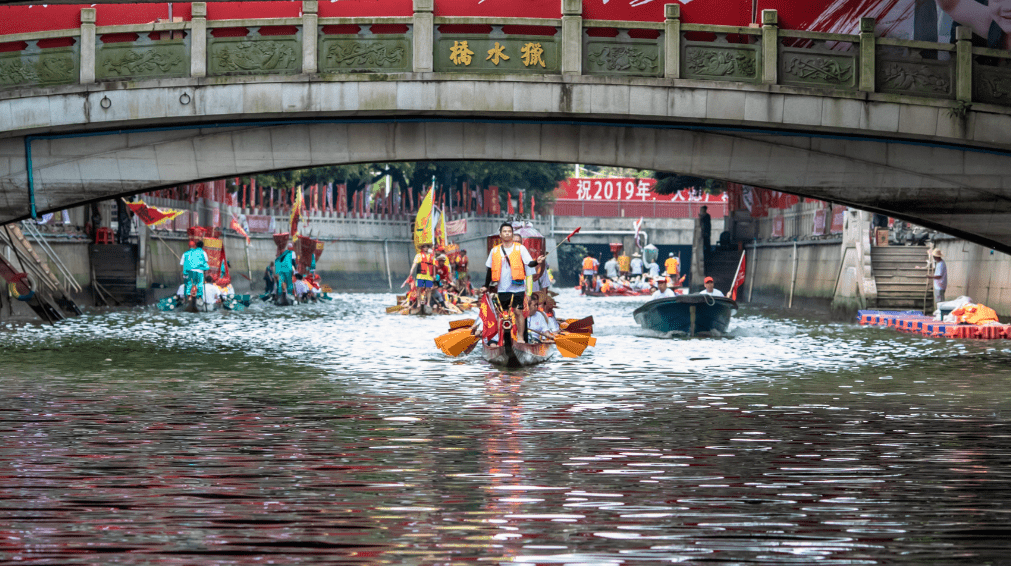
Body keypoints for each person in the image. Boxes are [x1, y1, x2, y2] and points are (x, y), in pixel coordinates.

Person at [481, 223, 545, 343]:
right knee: (503, 314)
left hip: (517, 287)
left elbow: (529, 263)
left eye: (509, 231)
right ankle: (503, 339)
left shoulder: (520, 248)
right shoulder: (495, 250)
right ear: (500, 234)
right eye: (504, 231)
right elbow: (489, 270)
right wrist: (486, 285)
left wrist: (537, 262)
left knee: (517, 311)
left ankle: (520, 337)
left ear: (512, 233)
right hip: (502, 288)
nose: (507, 233)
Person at [405, 242, 436, 308]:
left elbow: (433, 266)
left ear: (428, 248)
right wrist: (411, 270)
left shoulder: (431, 256)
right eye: (424, 247)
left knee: (429, 289)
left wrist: (434, 275)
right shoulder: (419, 255)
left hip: (429, 276)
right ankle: (419, 303)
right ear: (422, 248)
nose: (425, 248)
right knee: (419, 289)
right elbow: (414, 263)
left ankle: (428, 303)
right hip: (420, 275)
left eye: (427, 247)